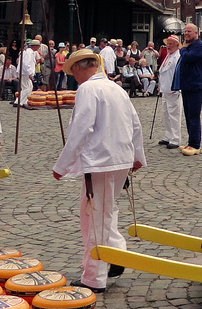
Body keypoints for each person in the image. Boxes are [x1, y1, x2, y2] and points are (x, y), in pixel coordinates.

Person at [52, 47, 145, 292]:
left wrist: (62, 165)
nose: (75, 78)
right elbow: (135, 124)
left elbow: (81, 128)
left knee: (94, 217)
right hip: (120, 158)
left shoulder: (88, 89)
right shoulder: (116, 88)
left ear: (83, 68)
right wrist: (137, 156)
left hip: (101, 160)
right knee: (105, 211)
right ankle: (115, 255)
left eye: (74, 73)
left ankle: (94, 277)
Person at [173, 23, 202, 155]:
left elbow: (187, 57)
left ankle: (195, 144)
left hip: (196, 85)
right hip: (187, 85)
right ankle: (190, 141)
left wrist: (182, 48)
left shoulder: (199, 46)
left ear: (196, 33)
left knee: (194, 115)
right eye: (185, 31)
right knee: (188, 115)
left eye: (189, 31)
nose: (186, 33)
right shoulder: (189, 46)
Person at [156, 34, 183, 148]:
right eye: (168, 43)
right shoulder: (168, 56)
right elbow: (163, 72)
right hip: (165, 90)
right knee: (166, 114)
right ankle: (168, 136)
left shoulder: (177, 57)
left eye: (171, 44)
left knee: (174, 115)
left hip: (173, 90)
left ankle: (175, 139)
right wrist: (160, 86)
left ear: (177, 46)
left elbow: (179, 74)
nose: (168, 46)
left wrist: (177, 87)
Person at [15, 39, 40, 107]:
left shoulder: (28, 52)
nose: (39, 48)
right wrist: (30, 73)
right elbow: (26, 64)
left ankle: (23, 101)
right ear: (34, 46)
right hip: (25, 73)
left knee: (28, 87)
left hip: (24, 72)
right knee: (27, 88)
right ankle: (19, 102)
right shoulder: (29, 53)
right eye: (38, 46)